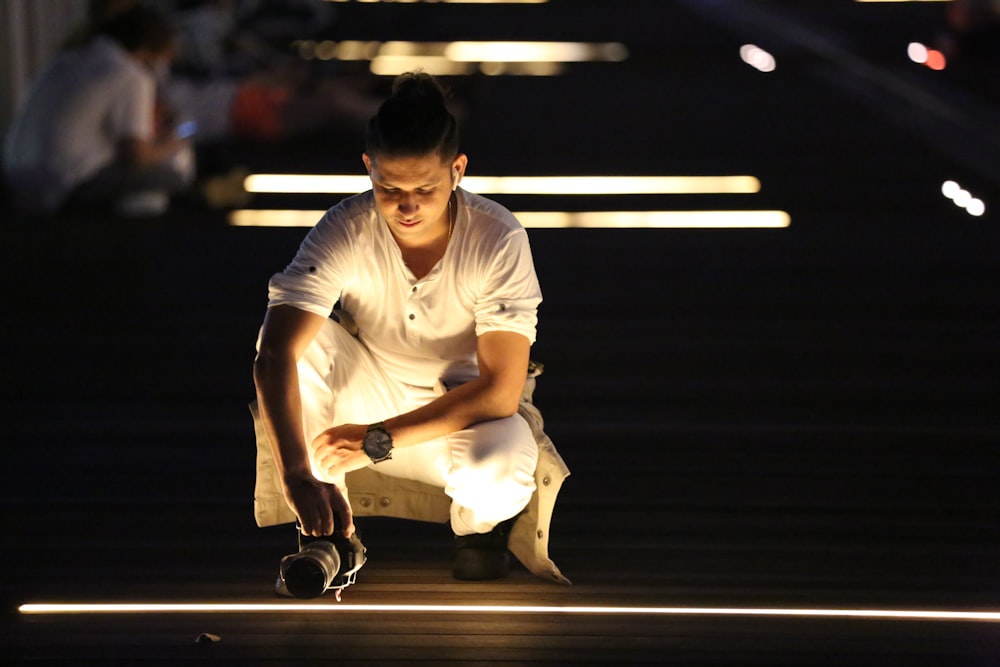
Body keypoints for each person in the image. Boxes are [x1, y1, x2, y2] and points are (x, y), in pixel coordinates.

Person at [251, 71, 568, 585]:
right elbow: (276, 357)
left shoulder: (497, 237)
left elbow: (501, 392)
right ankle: (329, 530)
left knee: (502, 464)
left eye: (426, 188)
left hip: (461, 411)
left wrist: (378, 439)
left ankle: (478, 531)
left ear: (458, 170)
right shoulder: (345, 227)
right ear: (368, 168)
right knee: (288, 340)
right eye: (389, 188)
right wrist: (296, 475)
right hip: (368, 392)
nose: (407, 207)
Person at [2, 3, 195, 216]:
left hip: (16, 180)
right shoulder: (131, 75)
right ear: (148, 50)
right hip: (64, 187)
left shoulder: (64, 59)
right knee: (173, 173)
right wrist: (175, 142)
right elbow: (136, 155)